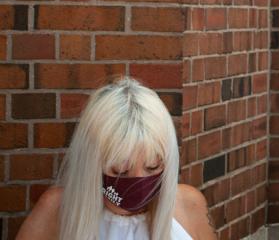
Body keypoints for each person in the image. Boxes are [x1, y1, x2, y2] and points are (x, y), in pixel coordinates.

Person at [16, 77, 215, 240]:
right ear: (91, 163)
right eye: (120, 170)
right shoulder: (57, 209)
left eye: (152, 167)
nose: (138, 180)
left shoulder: (189, 204)